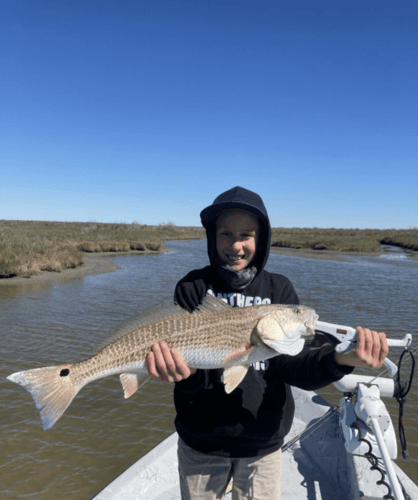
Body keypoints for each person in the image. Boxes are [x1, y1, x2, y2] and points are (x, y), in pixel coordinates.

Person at [146, 186, 388, 500]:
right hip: (201, 444)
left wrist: (342, 359)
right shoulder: (193, 287)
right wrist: (181, 375)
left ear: (261, 239)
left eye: (246, 234)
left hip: (263, 444)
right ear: (211, 237)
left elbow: (295, 367)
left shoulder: (280, 289)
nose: (236, 245)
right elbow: (193, 372)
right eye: (225, 234)